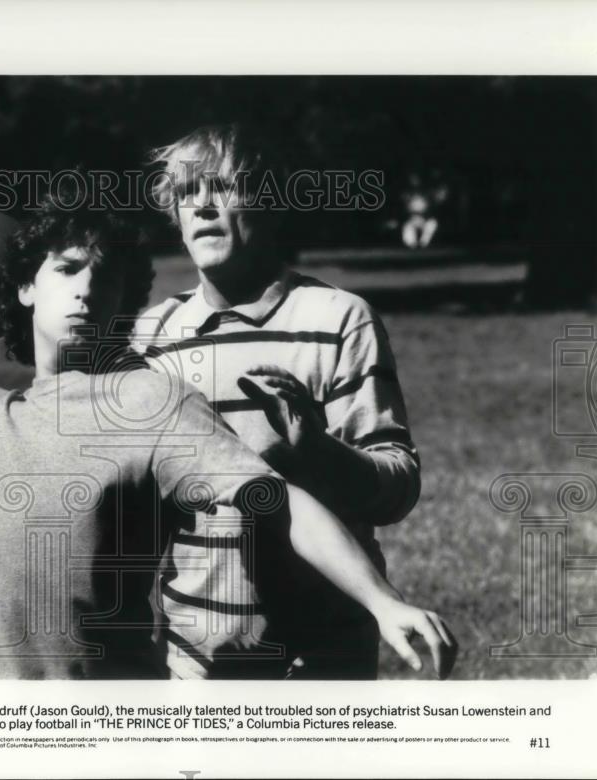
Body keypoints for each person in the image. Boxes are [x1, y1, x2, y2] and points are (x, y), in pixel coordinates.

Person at [0, 191, 453, 680]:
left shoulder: (152, 403)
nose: (88, 287)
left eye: (108, 275)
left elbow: (277, 501)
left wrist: (384, 602)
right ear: (26, 287)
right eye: (66, 269)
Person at [140, 123, 422, 679]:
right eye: (186, 192)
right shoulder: (153, 336)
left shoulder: (337, 319)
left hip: (321, 655)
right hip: (197, 656)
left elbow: (397, 487)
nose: (201, 206)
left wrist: (318, 453)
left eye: (221, 186)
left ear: (268, 199)